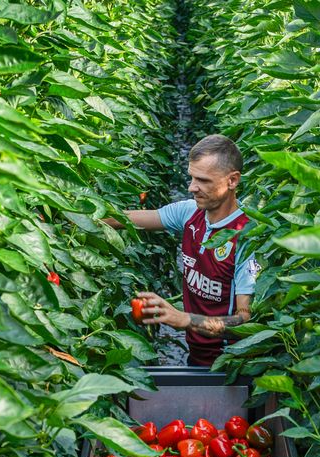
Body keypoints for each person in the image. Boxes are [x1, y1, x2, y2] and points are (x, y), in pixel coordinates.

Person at [105, 134, 259, 367]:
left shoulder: (247, 237)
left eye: (203, 180)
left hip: (232, 365)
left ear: (232, 181)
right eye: (191, 177)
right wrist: (71, 217)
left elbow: (246, 322)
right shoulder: (190, 213)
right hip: (198, 356)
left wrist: (184, 319)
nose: (192, 187)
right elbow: (125, 219)